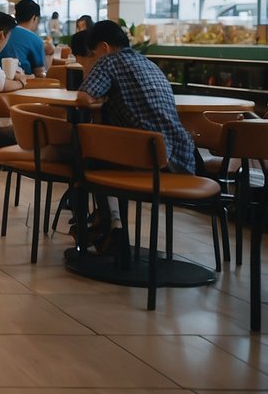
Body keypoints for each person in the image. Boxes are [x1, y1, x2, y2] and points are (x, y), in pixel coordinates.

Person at [75, 20, 196, 249]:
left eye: (94, 53)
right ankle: (108, 225)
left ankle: (110, 225)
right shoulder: (148, 63)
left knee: (88, 156)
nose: (95, 58)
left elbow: (83, 98)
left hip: (147, 157)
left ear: (104, 47)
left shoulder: (110, 61)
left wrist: (99, 96)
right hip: (180, 157)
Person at [0, 0, 48, 77]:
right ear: (34, 18)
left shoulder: (2, 33)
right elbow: (39, 73)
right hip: (24, 85)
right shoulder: (35, 40)